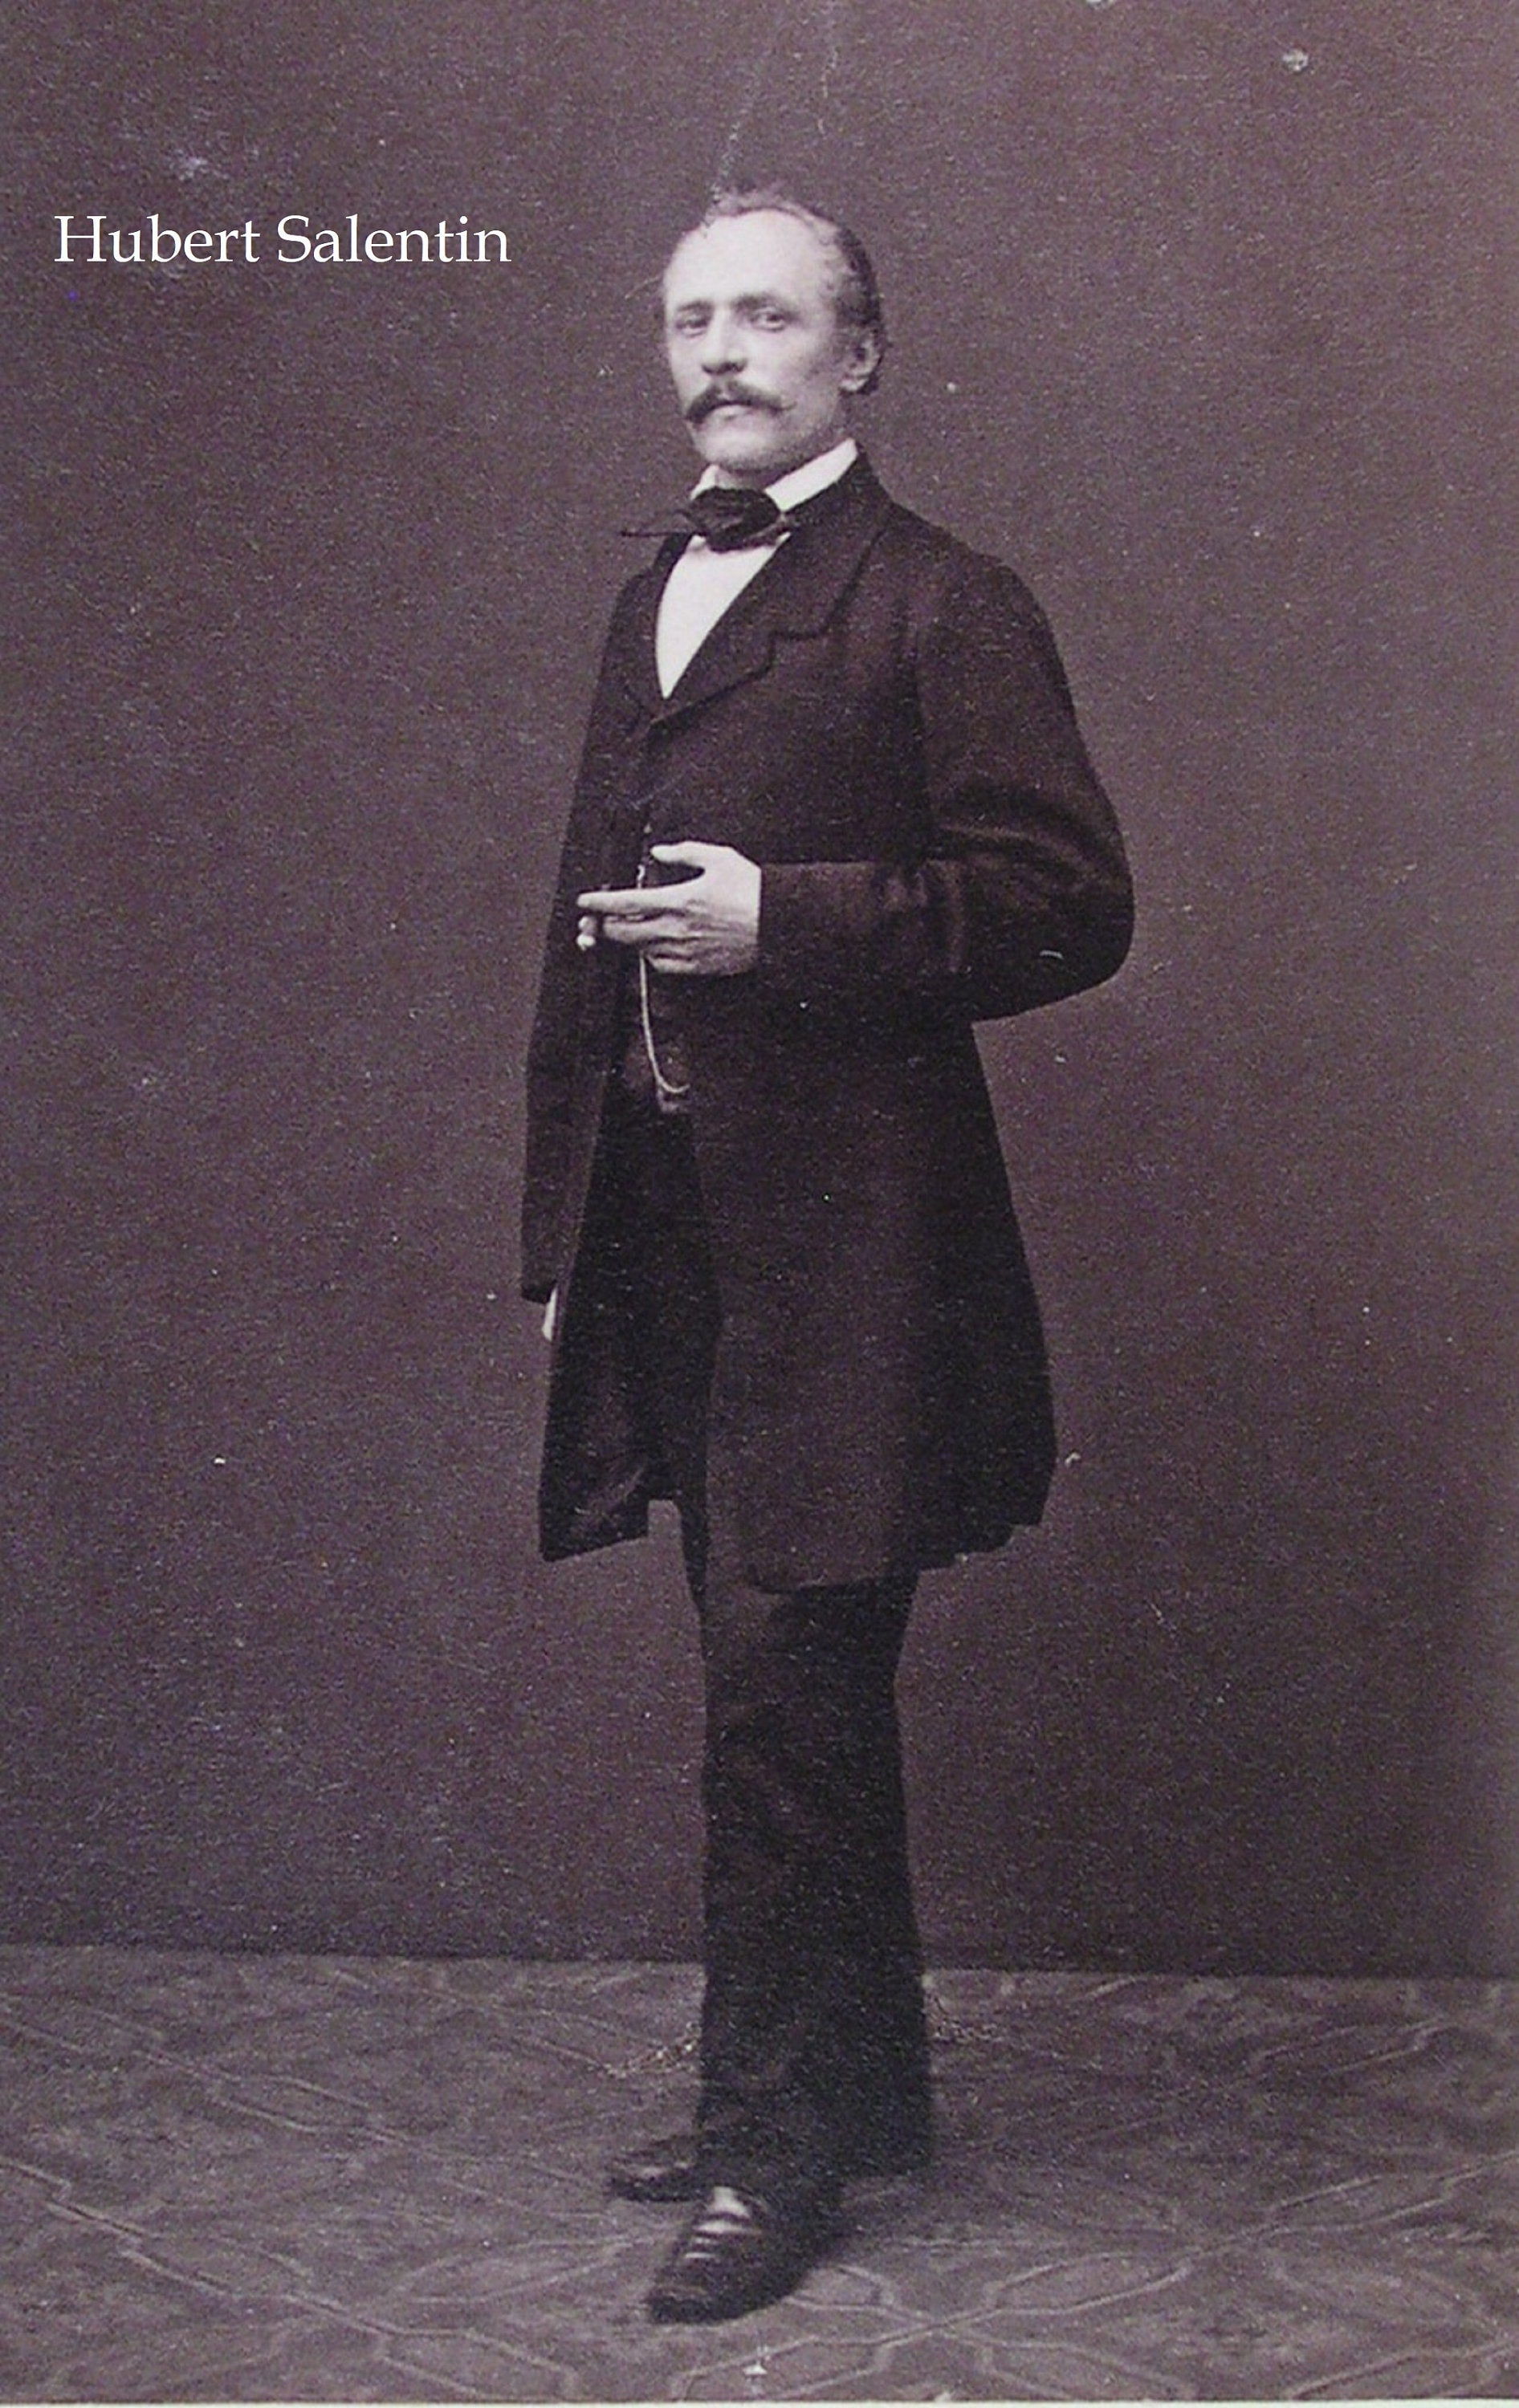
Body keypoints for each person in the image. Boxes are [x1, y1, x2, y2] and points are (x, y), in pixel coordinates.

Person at [522, 187, 1133, 2323]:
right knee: (780, 1676)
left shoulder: (944, 600)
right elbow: (579, 943)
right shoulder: (653, 595)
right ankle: (846, 2092)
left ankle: (772, 2154)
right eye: (690, 319)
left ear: (857, 354)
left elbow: (1069, 904)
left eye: (766, 317)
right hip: (673, 1237)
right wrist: (561, 1216)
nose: (720, 353)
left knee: (783, 1687)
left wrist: (788, 920)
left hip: (857, 1255)